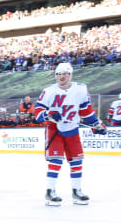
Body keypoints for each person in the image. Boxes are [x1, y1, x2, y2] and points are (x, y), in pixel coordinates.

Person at [34, 62, 106, 206]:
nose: (62, 77)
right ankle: (50, 192)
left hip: (72, 128)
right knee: (56, 160)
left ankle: (77, 191)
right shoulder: (49, 91)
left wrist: (97, 124)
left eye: (65, 74)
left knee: (77, 161)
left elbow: (86, 111)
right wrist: (49, 114)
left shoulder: (81, 89)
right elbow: (37, 113)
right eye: (59, 74)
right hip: (55, 130)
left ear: (70, 75)